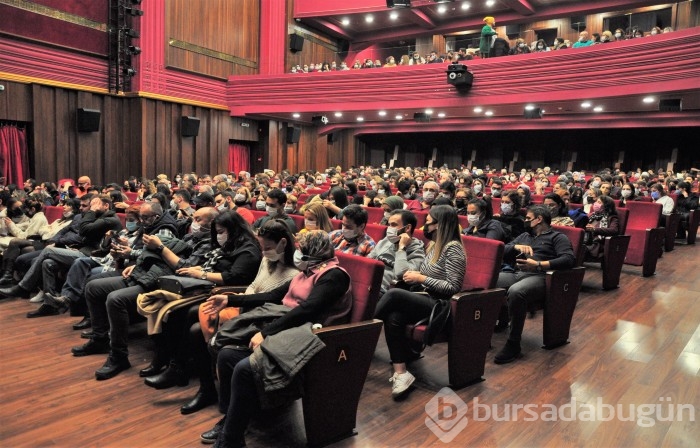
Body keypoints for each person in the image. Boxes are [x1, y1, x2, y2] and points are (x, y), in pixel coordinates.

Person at [198, 230, 352, 446]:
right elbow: (272, 296)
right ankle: (230, 419)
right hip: (287, 325)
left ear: (314, 252)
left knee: (244, 368)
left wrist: (266, 332)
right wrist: (230, 300)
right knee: (226, 355)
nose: (296, 253)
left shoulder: (334, 275)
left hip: (313, 335)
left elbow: (308, 309)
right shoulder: (305, 271)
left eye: (301, 250)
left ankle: (231, 439)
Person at [374, 205, 466, 399]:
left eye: (429, 222)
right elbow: (429, 273)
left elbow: (453, 286)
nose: (425, 226)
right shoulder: (434, 245)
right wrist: (417, 274)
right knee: (394, 315)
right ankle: (401, 373)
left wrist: (421, 278)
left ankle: (358, 331)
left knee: (393, 295)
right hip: (425, 296)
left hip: (440, 305)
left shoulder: (453, 248)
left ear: (440, 225)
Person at [494, 205, 576, 364]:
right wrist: (515, 246)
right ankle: (484, 331)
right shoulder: (525, 235)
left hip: (540, 277)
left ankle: (513, 343)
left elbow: (568, 259)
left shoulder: (558, 237)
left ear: (539, 219)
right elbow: (501, 249)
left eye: (528, 218)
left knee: (516, 292)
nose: (525, 221)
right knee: (490, 281)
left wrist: (539, 265)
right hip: (517, 273)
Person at [368, 210, 425, 296]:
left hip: (384, 292)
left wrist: (401, 248)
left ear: (407, 228)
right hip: (368, 284)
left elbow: (401, 274)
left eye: (393, 225)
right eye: (389, 224)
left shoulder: (417, 251)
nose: (389, 228)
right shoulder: (385, 241)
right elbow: (368, 261)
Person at [584, 196, 620, 260]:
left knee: (580, 249)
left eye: (599, 202)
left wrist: (594, 229)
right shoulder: (592, 215)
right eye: (596, 201)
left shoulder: (612, 217)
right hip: (585, 239)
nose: (595, 204)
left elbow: (614, 230)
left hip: (597, 243)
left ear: (606, 206)